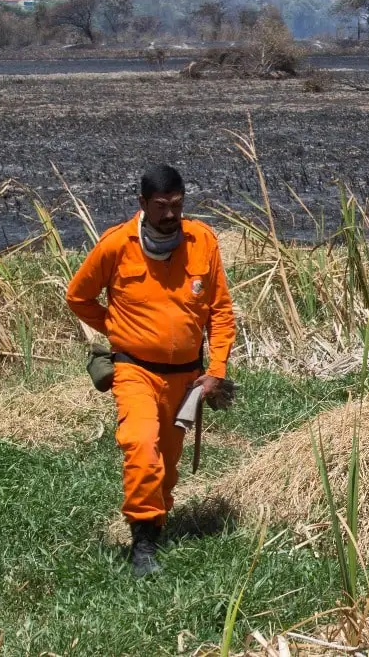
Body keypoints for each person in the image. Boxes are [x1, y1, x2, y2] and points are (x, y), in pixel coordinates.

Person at [66, 164, 236, 577]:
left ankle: (155, 522)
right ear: (142, 204)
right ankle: (142, 548)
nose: (170, 214)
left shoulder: (203, 242)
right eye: (160, 206)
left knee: (168, 466)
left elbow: (221, 311)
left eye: (177, 205)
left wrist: (215, 370)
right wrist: (117, 327)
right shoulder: (115, 245)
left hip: (187, 380)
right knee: (142, 447)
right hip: (134, 371)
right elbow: (78, 297)